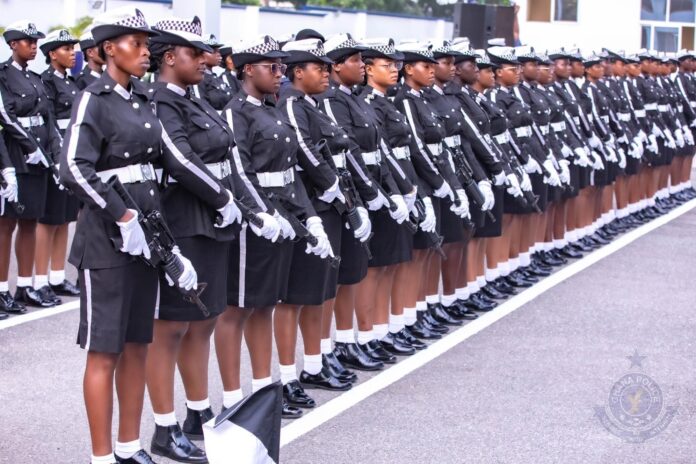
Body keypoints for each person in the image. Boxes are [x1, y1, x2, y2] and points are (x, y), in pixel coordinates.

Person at [58, 8, 198, 464]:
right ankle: (102, 457)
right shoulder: (92, 98)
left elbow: (151, 174)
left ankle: (128, 446)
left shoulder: (141, 100)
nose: (145, 51)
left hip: (146, 239)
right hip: (107, 242)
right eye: (134, 43)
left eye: (146, 43)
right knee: (104, 351)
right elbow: (73, 169)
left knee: (138, 344)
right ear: (106, 50)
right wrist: (122, 218)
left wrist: (170, 247)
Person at [144, 16, 261, 463]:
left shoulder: (196, 100)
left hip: (213, 221)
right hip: (184, 219)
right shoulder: (161, 101)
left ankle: (197, 411)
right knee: (170, 327)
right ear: (170, 57)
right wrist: (221, 197)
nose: (205, 61)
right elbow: (177, 158)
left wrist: (240, 206)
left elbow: (226, 151)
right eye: (195, 54)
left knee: (204, 319)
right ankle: (164, 425)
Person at [219, 35, 328, 419]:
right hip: (256, 223)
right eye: (273, 67)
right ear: (248, 69)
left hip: (282, 218)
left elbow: (289, 172)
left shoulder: (275, 109)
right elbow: (240, 171)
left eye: (282, 67)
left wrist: (308, 215)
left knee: (265, 307)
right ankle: (233, 399)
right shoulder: (235, 113)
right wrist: (264, 213)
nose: (280, 74)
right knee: (237, 310)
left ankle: (265, 391)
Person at [274, 37, 354, 412]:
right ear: (297, 72)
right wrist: (331, 184)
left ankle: (315, 361)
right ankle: (289, 376)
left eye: (326, 67)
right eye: (318, 67)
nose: (325, 73)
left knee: (320, 290)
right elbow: (304, 150)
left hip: (325, 203)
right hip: (306, 204)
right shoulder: (291, 103)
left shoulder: (312, 103)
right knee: (295, 297)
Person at [0, 20, 62, 309]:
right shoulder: (2, 76)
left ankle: (25, 286)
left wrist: (52, 154)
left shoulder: (36, 79)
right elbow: (6, 116)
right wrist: (30, 147)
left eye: (36, 41)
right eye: (28, 41)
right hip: (16, 156)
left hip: (39, 160)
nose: (34, 46)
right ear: (13, 44)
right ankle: (2, 289)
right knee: (6, 225)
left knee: (30, 222)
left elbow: (48, 120)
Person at [35, 29, 82, 305]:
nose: (72, 52)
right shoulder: (47, 82)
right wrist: (56, 157)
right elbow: (49, 121)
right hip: (57, 153)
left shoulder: (71, 82)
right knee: (49, 219)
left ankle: (55, 276)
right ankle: (39, 281)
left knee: (64, 217)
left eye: (72, 48)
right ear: (52, 54)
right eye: (66, 48)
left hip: (72, 152)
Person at [192, 34, 231, 111]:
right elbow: (201, 107)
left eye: (218, 51)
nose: (218, 55)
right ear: (201, 53)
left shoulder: (216, 77)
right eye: (213, 51)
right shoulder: (199, 79)